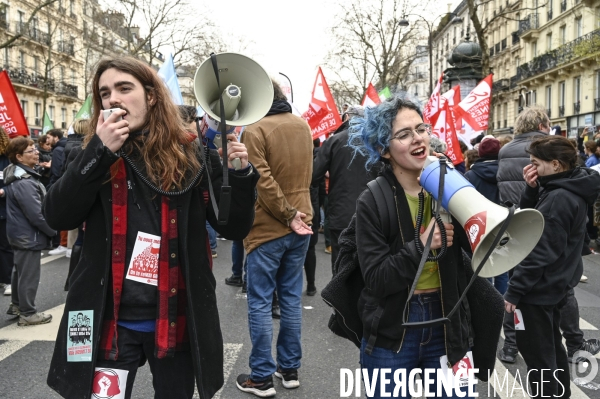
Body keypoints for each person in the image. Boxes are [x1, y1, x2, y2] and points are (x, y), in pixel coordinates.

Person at [45, 56, 259, 399]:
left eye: (124, 88)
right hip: (105, 319)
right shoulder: (84, 151)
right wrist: (99, 152)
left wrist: (241, 176)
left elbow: (232, 227)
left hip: (174, 315)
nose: (112, 98)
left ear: (152, 96)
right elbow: (57, 216)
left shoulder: (191, 152)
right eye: (104, 92)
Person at [348, 97, 475, 398]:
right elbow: (377, 279)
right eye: (404, 134)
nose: (418, 138)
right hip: (393, 327)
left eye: (421, 128)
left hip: (448, 322)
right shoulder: (372, 200)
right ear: (383, 149)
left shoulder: (450, 183)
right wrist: (421, 245)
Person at [504, 135, 600, 398]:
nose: (531, 168)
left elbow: (538, 249)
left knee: (538, 356)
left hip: (537, 290)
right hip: (552, 285)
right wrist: (531, 188)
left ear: (556, 165)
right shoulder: (566, 186)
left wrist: (514, 290)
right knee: (550, 351)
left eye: (536, 163)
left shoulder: (559, 197)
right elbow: (530, 222)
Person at [237, 80, 313, 397]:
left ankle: (262, 376)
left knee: (261, 302)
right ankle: (289, 369)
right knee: (291, 299)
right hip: (302, 222)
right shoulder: (302, 125)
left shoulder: (254, 130)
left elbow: (262, 182)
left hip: (270, 226)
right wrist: (296, 215)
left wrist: (286, 214)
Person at [495, 105, 550, 363]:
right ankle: (571, 342)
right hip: (544, 222)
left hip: (513, 224)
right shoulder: (548, 148)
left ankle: (511, 345)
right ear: (541, 126)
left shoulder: (504, 150)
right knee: (556, 288)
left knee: (513, 288)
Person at [312, 105, 380, 272]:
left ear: (347, 117)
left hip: (341, 214)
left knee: (341, 266)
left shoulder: (334, 141)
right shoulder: (376, 142)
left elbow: (313, 175)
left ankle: (340, 296)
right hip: (373, 213)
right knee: (368, 266)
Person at [3, 136, 56, 325]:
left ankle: (17, 305)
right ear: (19, 156)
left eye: (35, 149)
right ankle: (28, 313)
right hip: (28, 235)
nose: (36, 153)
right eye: (31, 151)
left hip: (20, 233)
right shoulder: (24, 181)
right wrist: (52, 230)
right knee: (29, 275)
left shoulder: (18, 175)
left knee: (20, 272)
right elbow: (36, 215)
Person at [0, 128, 12, 297]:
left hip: (3, 209)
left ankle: (8, 280)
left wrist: (3, 192)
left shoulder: (8, 159)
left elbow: (15, 183)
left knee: (5, 247)